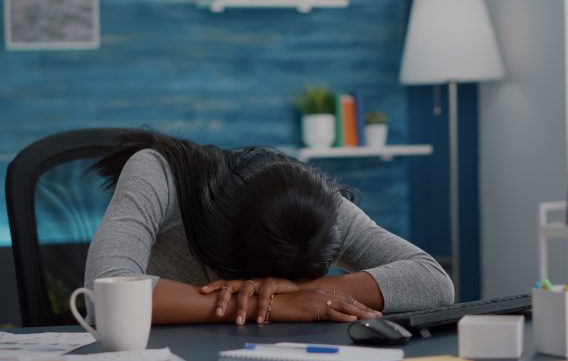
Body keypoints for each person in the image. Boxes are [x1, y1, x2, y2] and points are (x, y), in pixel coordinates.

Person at [83, 130, 454, 325]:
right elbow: (107, 293)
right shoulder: (159, 173)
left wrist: (307, 291)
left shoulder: (317, 205)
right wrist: (271, 306)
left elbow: (432, 280)